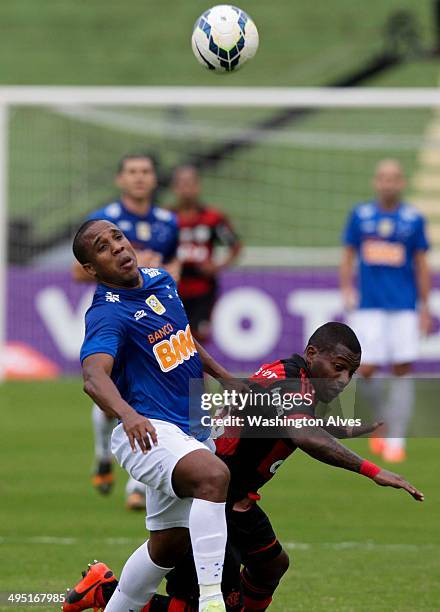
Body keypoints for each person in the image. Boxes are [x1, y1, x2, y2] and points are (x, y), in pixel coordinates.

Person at [63, 322, 423, 612]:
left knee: (271, 565)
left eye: (351, 373)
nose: (344, 381)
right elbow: (304, 435)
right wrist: (376, 472)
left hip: (238, 496)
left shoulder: (300, 380)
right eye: (339, 368)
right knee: (208, 599)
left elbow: (290, 421)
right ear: (312, 354)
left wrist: (344, 428)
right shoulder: (290, 381)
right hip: (212, 496)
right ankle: (106, 593)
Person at [71, 218, 242, 612]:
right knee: (214, 477)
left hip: (190, 427)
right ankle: (213, 602)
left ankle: (112, 605)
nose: (116, 246)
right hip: (148, 432)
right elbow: (93, 377)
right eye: (102, 246)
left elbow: (182, 336)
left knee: (168, 545)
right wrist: (128, 415)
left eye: (117, 236)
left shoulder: (160, 279)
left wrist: (224, 376)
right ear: (92, 269)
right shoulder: (106, 314)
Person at [73, 153, 180, 509]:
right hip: (119, 318)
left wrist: (159, 274)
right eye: (132, 172)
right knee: (110, 397)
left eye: (146, 171)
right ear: (121, 179)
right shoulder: (104, 222)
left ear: (153, 179)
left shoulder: (168, 222)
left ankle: (138, 485)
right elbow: (79, 272)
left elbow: (175, 265)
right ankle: (104, 454)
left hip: (155, 313)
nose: (139, 178)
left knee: (154, 391)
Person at [340, 159, 432, 463]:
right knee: (365, 370)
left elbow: (420, 263)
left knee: (402, 370)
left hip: (403, 307)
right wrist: (346, 289)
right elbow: (348, 255)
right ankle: (383, 421)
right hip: (369, 307)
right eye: (383, 177)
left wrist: (424, 306)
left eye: (394, 178)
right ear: (375, 182)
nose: (388, 183)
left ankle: (397, 440)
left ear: (402, 182)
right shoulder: (361, 215)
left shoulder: (413, 219)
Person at [172, 165, 241, 342]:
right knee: (172, 337)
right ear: (174, 187)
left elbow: (235, 245)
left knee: (198, 337)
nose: (186, 188)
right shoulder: (166, 218)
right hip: (172, 289)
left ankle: (198, 370)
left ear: (198, 186)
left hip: (203, 289)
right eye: (182, 183)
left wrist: (217, 265)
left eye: (190, 183)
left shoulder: (213, 218)